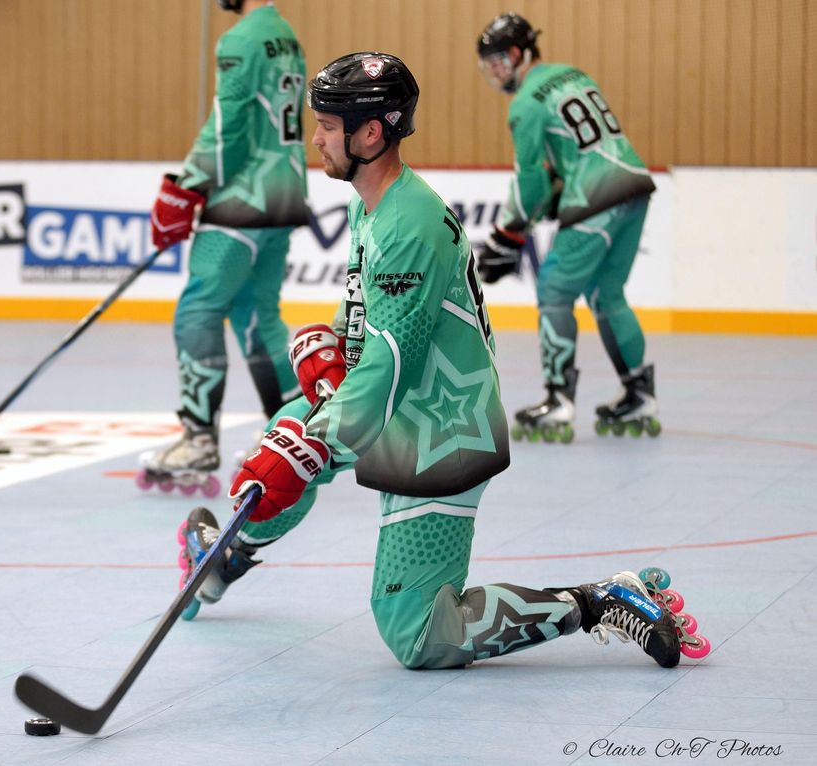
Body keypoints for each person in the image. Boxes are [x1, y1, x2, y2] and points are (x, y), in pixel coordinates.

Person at [174, 52, 707, 669]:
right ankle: (227, 557)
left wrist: (313, 445)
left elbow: (389, 368)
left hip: (441, 432)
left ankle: (598, 601)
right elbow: (369, 321)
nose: (315, 138)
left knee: (419, 634)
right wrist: (330, 348)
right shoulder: (373, 203)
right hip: (407, 407)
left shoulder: (408, 223)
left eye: (326, 125)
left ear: (370, 134)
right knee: (287, 433)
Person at [140, 0, 309, 494]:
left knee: (198, 309)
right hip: (285, 191)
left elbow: (228, 125)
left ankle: (198, 439)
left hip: (243, 198)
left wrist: (186, 185)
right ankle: (292, 429)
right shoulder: (286, 36)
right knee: (258, 315)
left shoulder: (239, 39)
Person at [473, 12, 661, 443]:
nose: (495, 72)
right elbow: (579, 151)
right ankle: (639, 394)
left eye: (498, 61)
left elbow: (532, 182)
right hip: (635, 185)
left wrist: (509, 232)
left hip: (595, 195)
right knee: (608, 293)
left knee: (555, 290)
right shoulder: (575, 75)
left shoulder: (524, 103)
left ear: (518, 53)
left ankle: (558, 401)